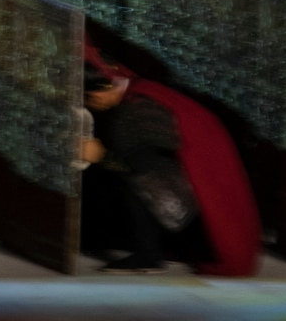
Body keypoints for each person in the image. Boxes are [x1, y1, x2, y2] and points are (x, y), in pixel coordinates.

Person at [80, 52, 259, 276]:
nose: (91, 104)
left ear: (104, 88)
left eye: (90, 97)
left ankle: (148, 255)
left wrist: (100, 156)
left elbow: (140, 170)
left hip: (187, 198)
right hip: (183, 179)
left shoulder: (136, 111)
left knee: (129, 177)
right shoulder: (137, 87)